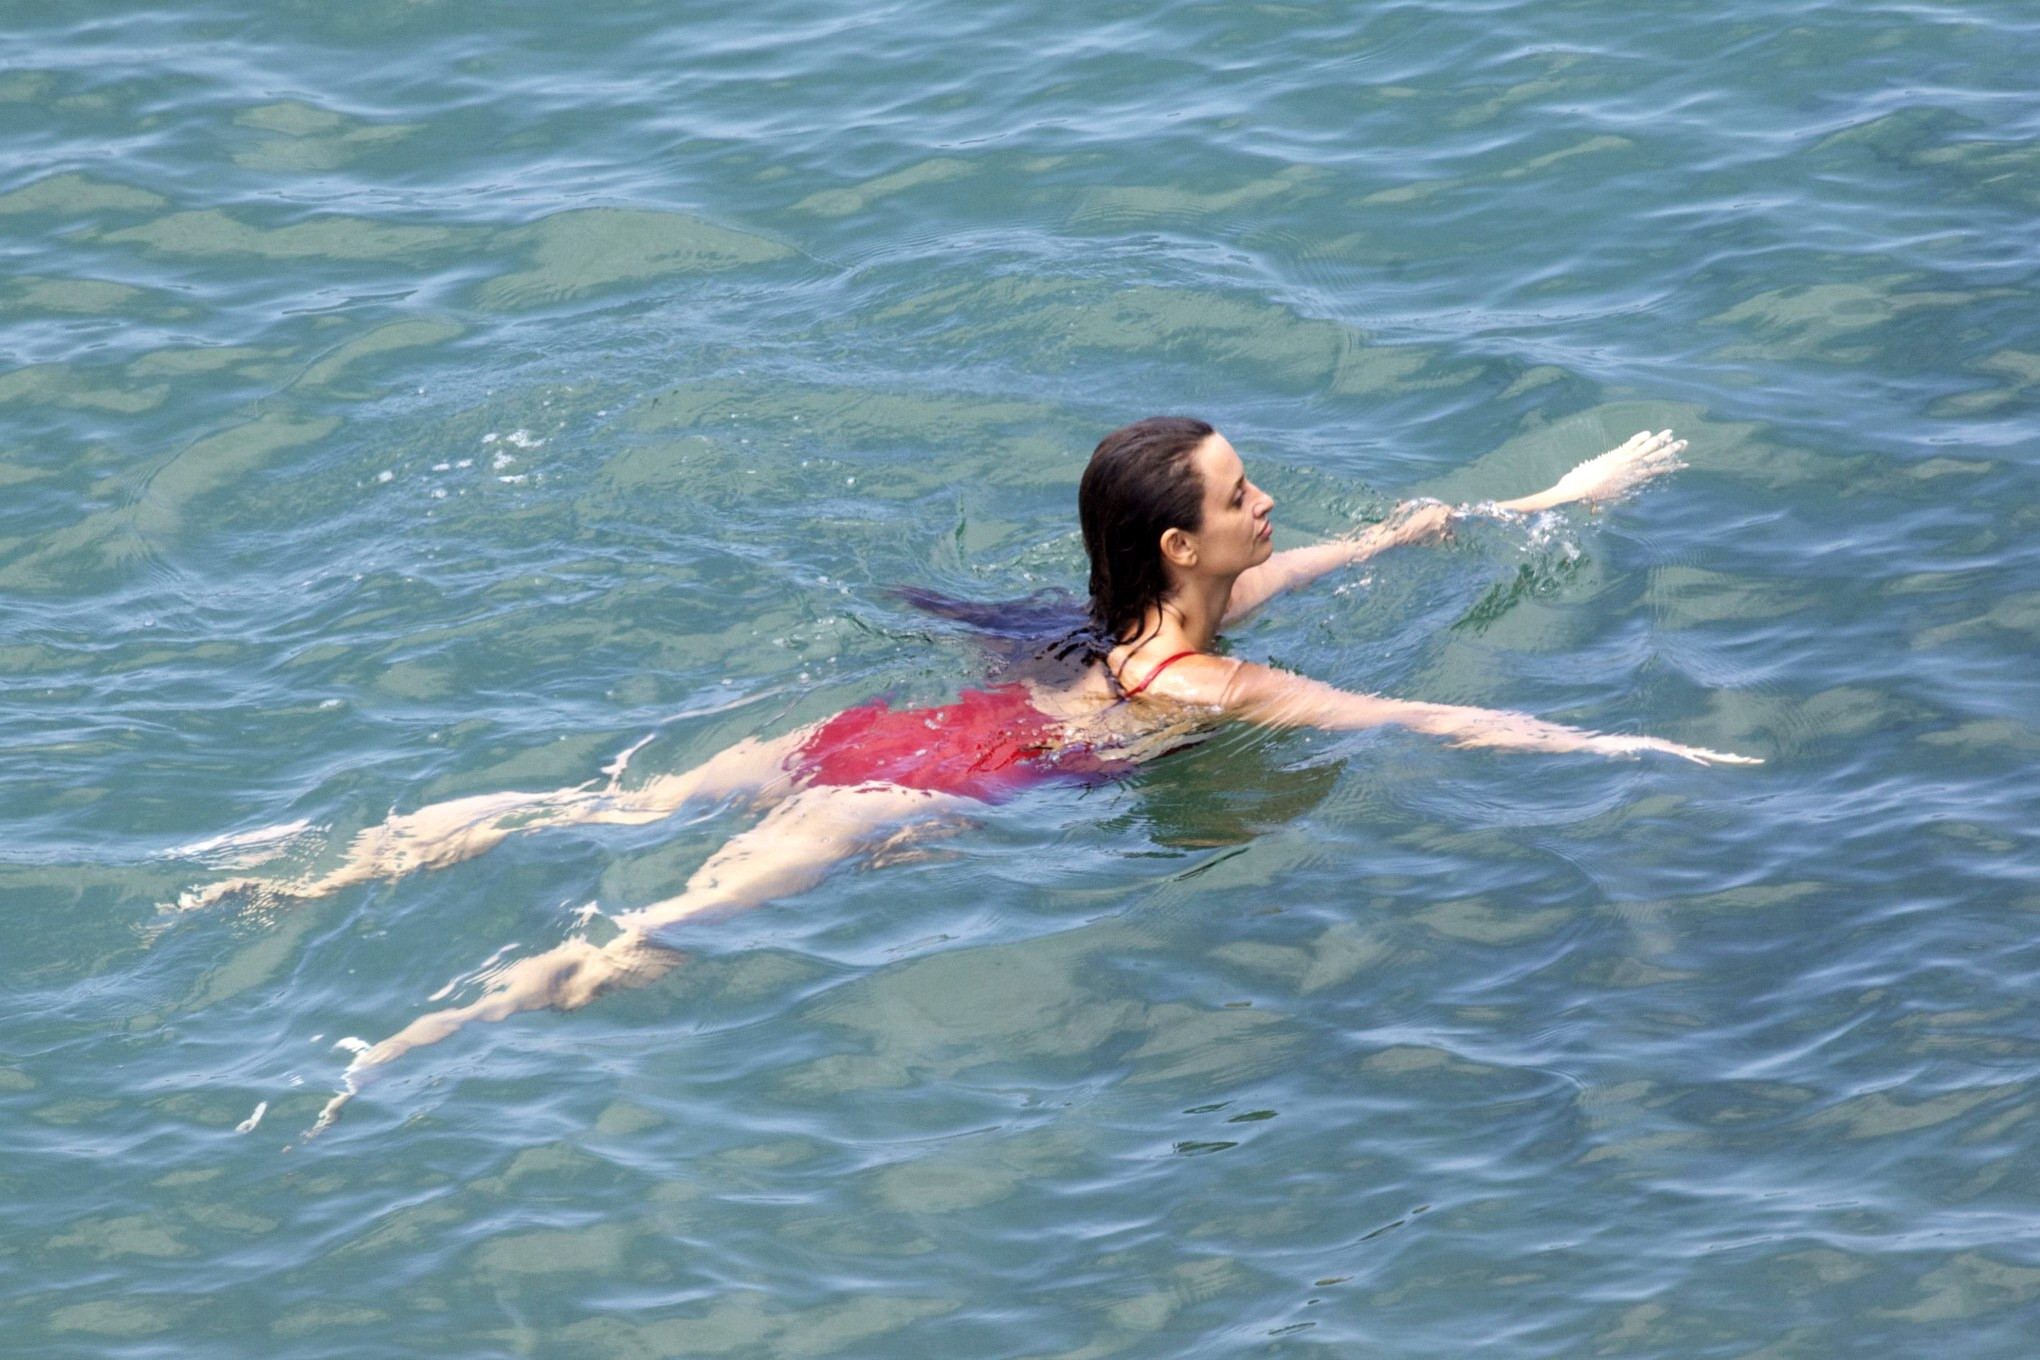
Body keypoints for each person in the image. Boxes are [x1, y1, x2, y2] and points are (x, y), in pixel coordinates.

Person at [181, 418, 1755, 1136]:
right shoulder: (1211, 673)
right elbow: (1428, 723)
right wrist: (1632, 742)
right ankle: (400, 1043)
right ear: (1179, 544)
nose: (1271, 506)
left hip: (877, 733)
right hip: (908, 799)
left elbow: (1389, 535)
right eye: (1241, 493)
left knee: (607, 808)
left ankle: (327, 865)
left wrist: (1559, 492)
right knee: (652, 934)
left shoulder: (1156, 614)